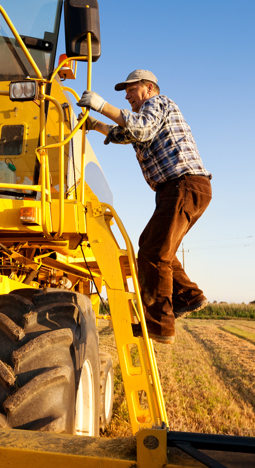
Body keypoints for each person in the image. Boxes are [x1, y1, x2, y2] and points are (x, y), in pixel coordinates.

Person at [78, 70, 212, 344]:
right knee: (151, 243)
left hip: (182, 185)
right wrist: (95, 125)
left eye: (131, 89)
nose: (126, 95)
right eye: (124, 92)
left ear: (149, 88)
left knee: (154, 253)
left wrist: (102, 106)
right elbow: (125, 134)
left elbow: (140, 128)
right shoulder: (149, 114)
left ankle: (160, 326)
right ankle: (189, 296)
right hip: (179, 188)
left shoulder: (158, 104)